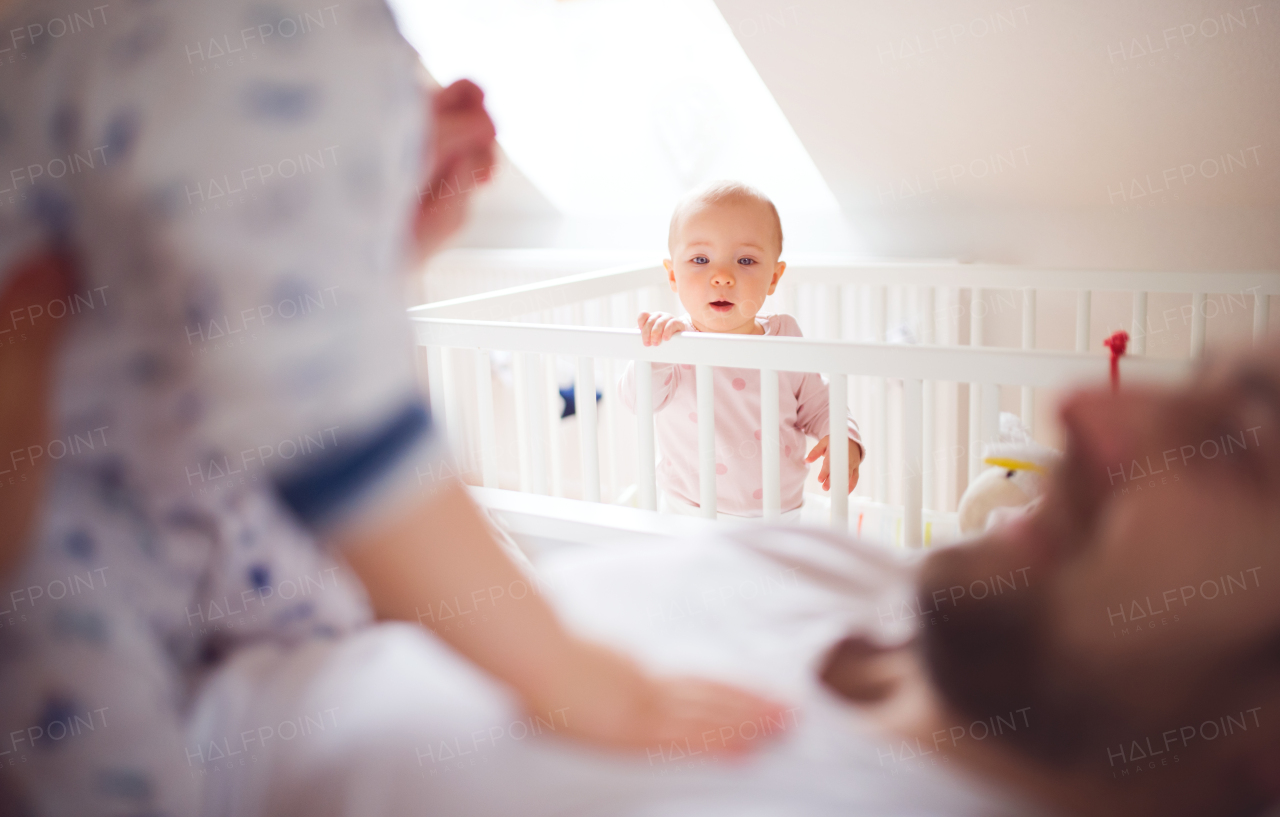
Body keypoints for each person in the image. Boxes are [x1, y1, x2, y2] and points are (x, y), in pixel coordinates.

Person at [0, 2, 780, 814]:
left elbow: (218, 294)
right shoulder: (236, 34)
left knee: (356, 677)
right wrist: (572, 677)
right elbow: (332, 419)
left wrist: (380, 228)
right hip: (60, 536)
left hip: (206, 493)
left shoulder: (298, 44)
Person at [186, 338, 1280, 817]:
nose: (1082, 402)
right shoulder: (847, 568)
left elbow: (810, 407)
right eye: (1193, 383)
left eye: (1239, 446)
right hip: (218, 626)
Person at [618, 181, 864, 520]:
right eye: (700, 259)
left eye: (745, 260)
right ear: (672, 275)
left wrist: (841, 434)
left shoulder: (785, 337)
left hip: (781, 514)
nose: (722, 276)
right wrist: (654, 353)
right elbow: (637, 400)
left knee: (781, 574)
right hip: (689, 512)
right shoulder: (673, 342)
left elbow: (820, 403)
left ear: (774, 277)